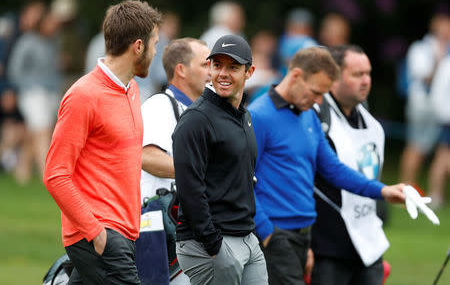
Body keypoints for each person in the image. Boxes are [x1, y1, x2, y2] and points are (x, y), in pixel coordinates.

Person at [248, 46, 406, 285]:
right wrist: (267, 232)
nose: (319, 101)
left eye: (323, 94)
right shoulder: (259, 115)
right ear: (296, 76)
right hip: (274, 234)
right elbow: (243, 180)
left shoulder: (309, 114)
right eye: (315, 92)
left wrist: (382, 191)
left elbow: (333, 169)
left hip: (304, 236)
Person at [43, 0, 162, 284]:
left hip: (124, 232)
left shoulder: (132, 88)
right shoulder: (83, 96)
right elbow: (55, 173)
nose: (157, 52)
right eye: (155, 44)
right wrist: (95, 231)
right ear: (138, 47)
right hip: (100, 235)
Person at [172, 34, 268, 285]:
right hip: (211, 243)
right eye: (217, 65)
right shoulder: (196, 119)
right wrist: (214, 244)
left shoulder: (243, 116)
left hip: (246, 237)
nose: (223, 73)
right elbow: (189, 188)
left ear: (250, 72)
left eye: (233, 67)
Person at [310, 45, 389, 285]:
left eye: (368, 73)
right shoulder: (314, 117)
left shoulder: (373, 125)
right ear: (333, 76)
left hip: (369, 248)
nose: (366, 81)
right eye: (357, 74)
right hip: (327, 249)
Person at [138, 37, 210, 285]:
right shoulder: (161, 104)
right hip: (166, 233)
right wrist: (203, 172)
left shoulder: (204, 113)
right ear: (181, 69)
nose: (213, 72)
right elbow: (147, 157)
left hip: (198, 232)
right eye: (205, 65)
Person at [8, 9, 63, 183]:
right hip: (32, 92)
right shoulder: (27, 42)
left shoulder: (52, 43)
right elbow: (15, 69)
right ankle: (45, 172)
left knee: (35, 133)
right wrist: (21, 88)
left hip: (50, 92)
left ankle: (21, 171)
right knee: (42, 131)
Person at [399, 13, 450, 188]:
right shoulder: (420, 49)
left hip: (442, 108)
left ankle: (434, 192)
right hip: (422, 104)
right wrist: (439, 59)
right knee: (416, 145)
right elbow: (424, 77)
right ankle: (406, 186)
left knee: (441, 149)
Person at [428, 54, 450, 208]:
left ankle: (436, 194)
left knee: (442, 157)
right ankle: (435, 195)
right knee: (443, 157)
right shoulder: (447, 64)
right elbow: (438, 92)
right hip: (447, 119)